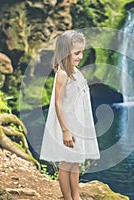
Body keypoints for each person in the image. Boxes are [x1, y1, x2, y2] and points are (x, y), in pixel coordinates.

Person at [40, 30, 100, 200]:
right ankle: (67, 197)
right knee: (66, 164)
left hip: (78, 124)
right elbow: (58, 102)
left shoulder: (75, 71)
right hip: (68, 125)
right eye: (77, 53)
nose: (80, 56)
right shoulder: (62, 73)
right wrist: (65, 130)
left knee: (75, 162)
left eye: (82, 52)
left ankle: (76, 196)